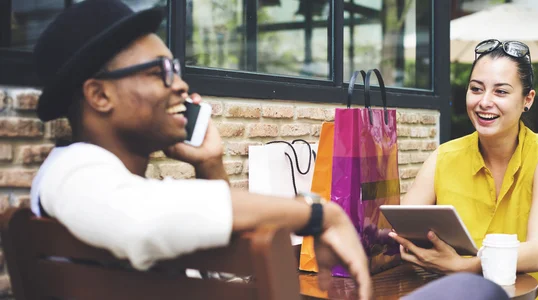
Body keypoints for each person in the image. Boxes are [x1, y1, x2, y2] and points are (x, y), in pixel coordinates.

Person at [29, 1, 371, 299]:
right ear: (100, 96)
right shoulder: (70, 170)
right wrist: (318, 214)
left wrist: (210, 165)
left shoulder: (120, 185)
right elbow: (142, 222)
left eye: (175, 69)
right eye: (159, 71)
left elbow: (219, 275)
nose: (180, 84)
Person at [389, 39, 538, 299]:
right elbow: (402, 228)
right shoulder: (444, 156)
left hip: (536, 295)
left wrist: (463, 265)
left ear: (527, 99)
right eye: (476, 89)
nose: (484, 102)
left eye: (501, 92)